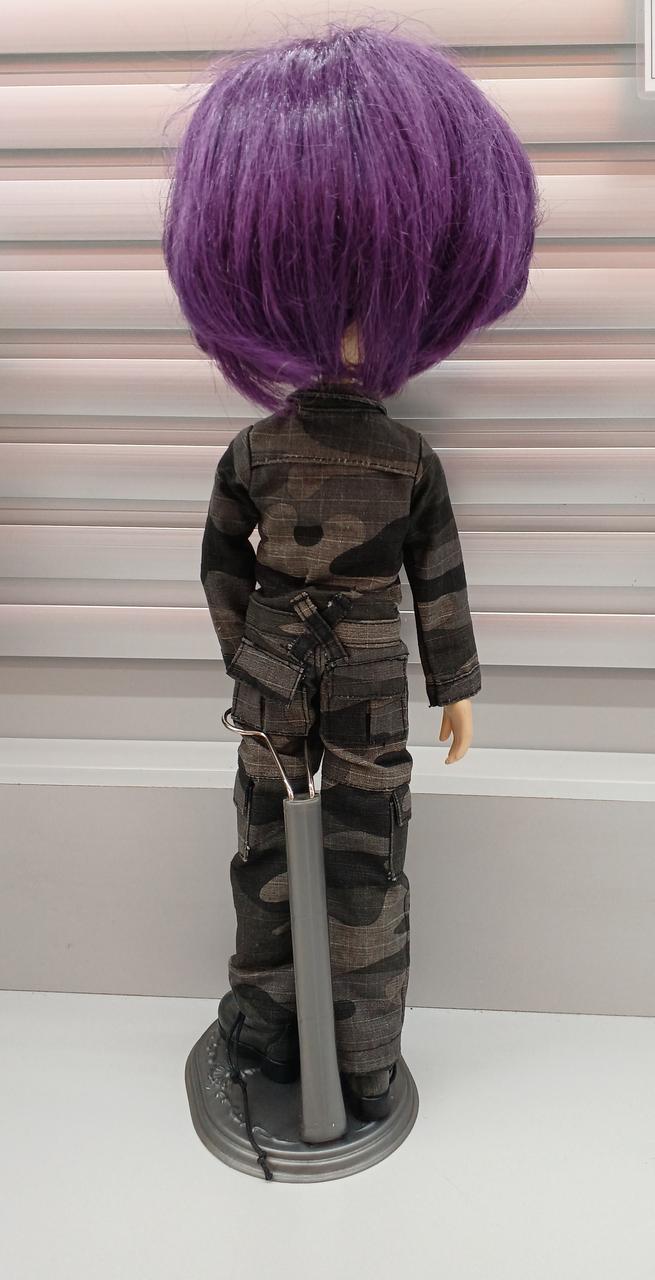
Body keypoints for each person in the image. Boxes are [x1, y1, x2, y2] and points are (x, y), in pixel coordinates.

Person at [162, 21, 540, 1143]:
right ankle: (266, 1037)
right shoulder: (258, 454)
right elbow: (222, 561)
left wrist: (452, 684)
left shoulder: (404, 460)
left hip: (351, 678)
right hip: (291, 678)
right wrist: (249, 655)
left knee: (361, 866)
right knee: (274, 858)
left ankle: (364, 1061)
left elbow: (437, 574)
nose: (351, 321)